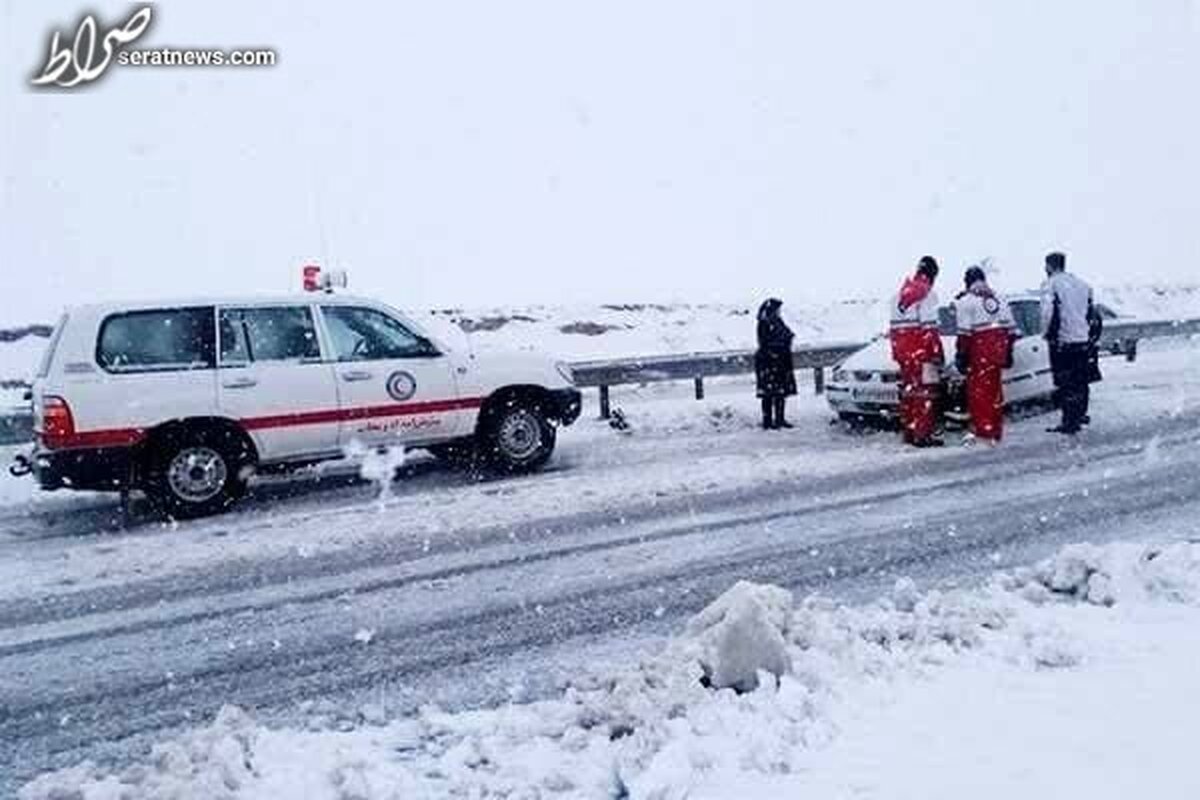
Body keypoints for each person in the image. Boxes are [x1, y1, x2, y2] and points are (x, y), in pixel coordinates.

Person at [954, 267, 1018, 443]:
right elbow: (1012, 330)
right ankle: (996, 430)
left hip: (979, 354)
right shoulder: (1000, 299)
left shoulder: (966, 302)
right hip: (998, 353)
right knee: (995, 392)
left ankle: (984, 430)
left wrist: (961, 354)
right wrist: (1008, 351)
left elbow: (964, 334)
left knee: (979, 394)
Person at [890, 256, 945, 447]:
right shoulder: (927, 295)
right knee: (925, 393)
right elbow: (929, 329)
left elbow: (894, 330)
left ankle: (909, 432)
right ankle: (922, 435)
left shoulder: (897, 296)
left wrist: (897, 353)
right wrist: (937, 353)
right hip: (921, 353)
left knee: (908, 392)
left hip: (903, 353)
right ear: (933, 275)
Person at [1041, 251, 1099, 434]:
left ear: (1049, 266)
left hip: (1063, 341)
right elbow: (1091, 314)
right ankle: (1080, 414)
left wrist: (1046, 334)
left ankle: (1069, 421)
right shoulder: (1083, 285)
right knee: (1080, 380)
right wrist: (1089, 336)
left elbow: (1047, 313)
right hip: (1082, 339)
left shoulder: (1051, 285)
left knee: (1065, 382)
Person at [755, 298, 797, 429]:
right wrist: (778, 349)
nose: (779, 312)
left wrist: (786, 341)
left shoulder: (777, 321)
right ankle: (767, 421)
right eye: (777, 309)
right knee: (768, 394)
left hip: (780, 361)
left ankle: (779, 419)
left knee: (780, 392)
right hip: (769, 362)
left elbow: (788, 334)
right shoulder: (764, 323)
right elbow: (765, 342)